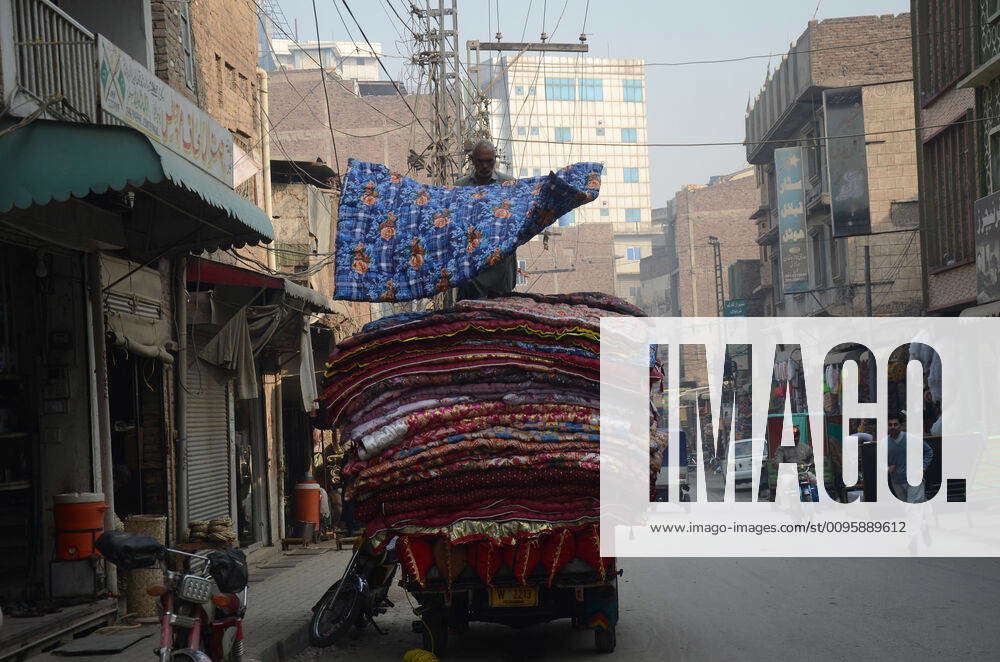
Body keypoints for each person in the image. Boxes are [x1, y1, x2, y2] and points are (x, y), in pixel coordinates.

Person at [455, 140, 518, 300]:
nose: (484, 166)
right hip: (471, 263)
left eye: (489, 161)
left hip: (500, 263)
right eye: (480, 161)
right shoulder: (460, 187)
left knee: (500, 316)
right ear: (473, 161)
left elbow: (517, 220)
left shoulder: (509, 184)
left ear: (495, 160)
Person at [887, 412, 933, 503]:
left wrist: (922, 468)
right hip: (897, 481)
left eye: (895, 424)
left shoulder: (912, 439)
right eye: (890, 425)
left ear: (900, 426)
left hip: (914, 478)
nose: (892, 427)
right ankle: (928, 514)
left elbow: (928, 451)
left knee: (913, 508)